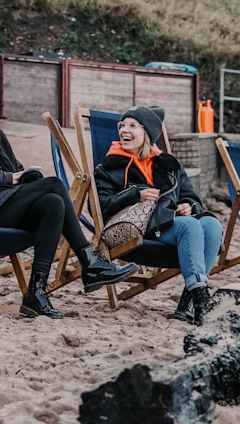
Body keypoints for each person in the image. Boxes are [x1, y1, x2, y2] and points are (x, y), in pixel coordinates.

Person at [0, 84, 138, 319]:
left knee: (53, 202)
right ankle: (91, 262)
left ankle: (36, 292)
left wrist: (22, 176)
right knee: (53, 184)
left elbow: (10, 168)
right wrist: (7, 178)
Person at [94, 106, 223, 325]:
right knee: (189, 226)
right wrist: (135, 194)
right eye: (122, 125)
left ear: (148, 133)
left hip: (169, 227)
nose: (124, 130)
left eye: (132, 125)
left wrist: (188, 205)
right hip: (137, 234)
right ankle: (201, 300)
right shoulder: (108, 167)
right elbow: (102, 206)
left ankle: (189, 304)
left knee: (211, 224)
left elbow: (192, 196)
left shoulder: (168, 165)